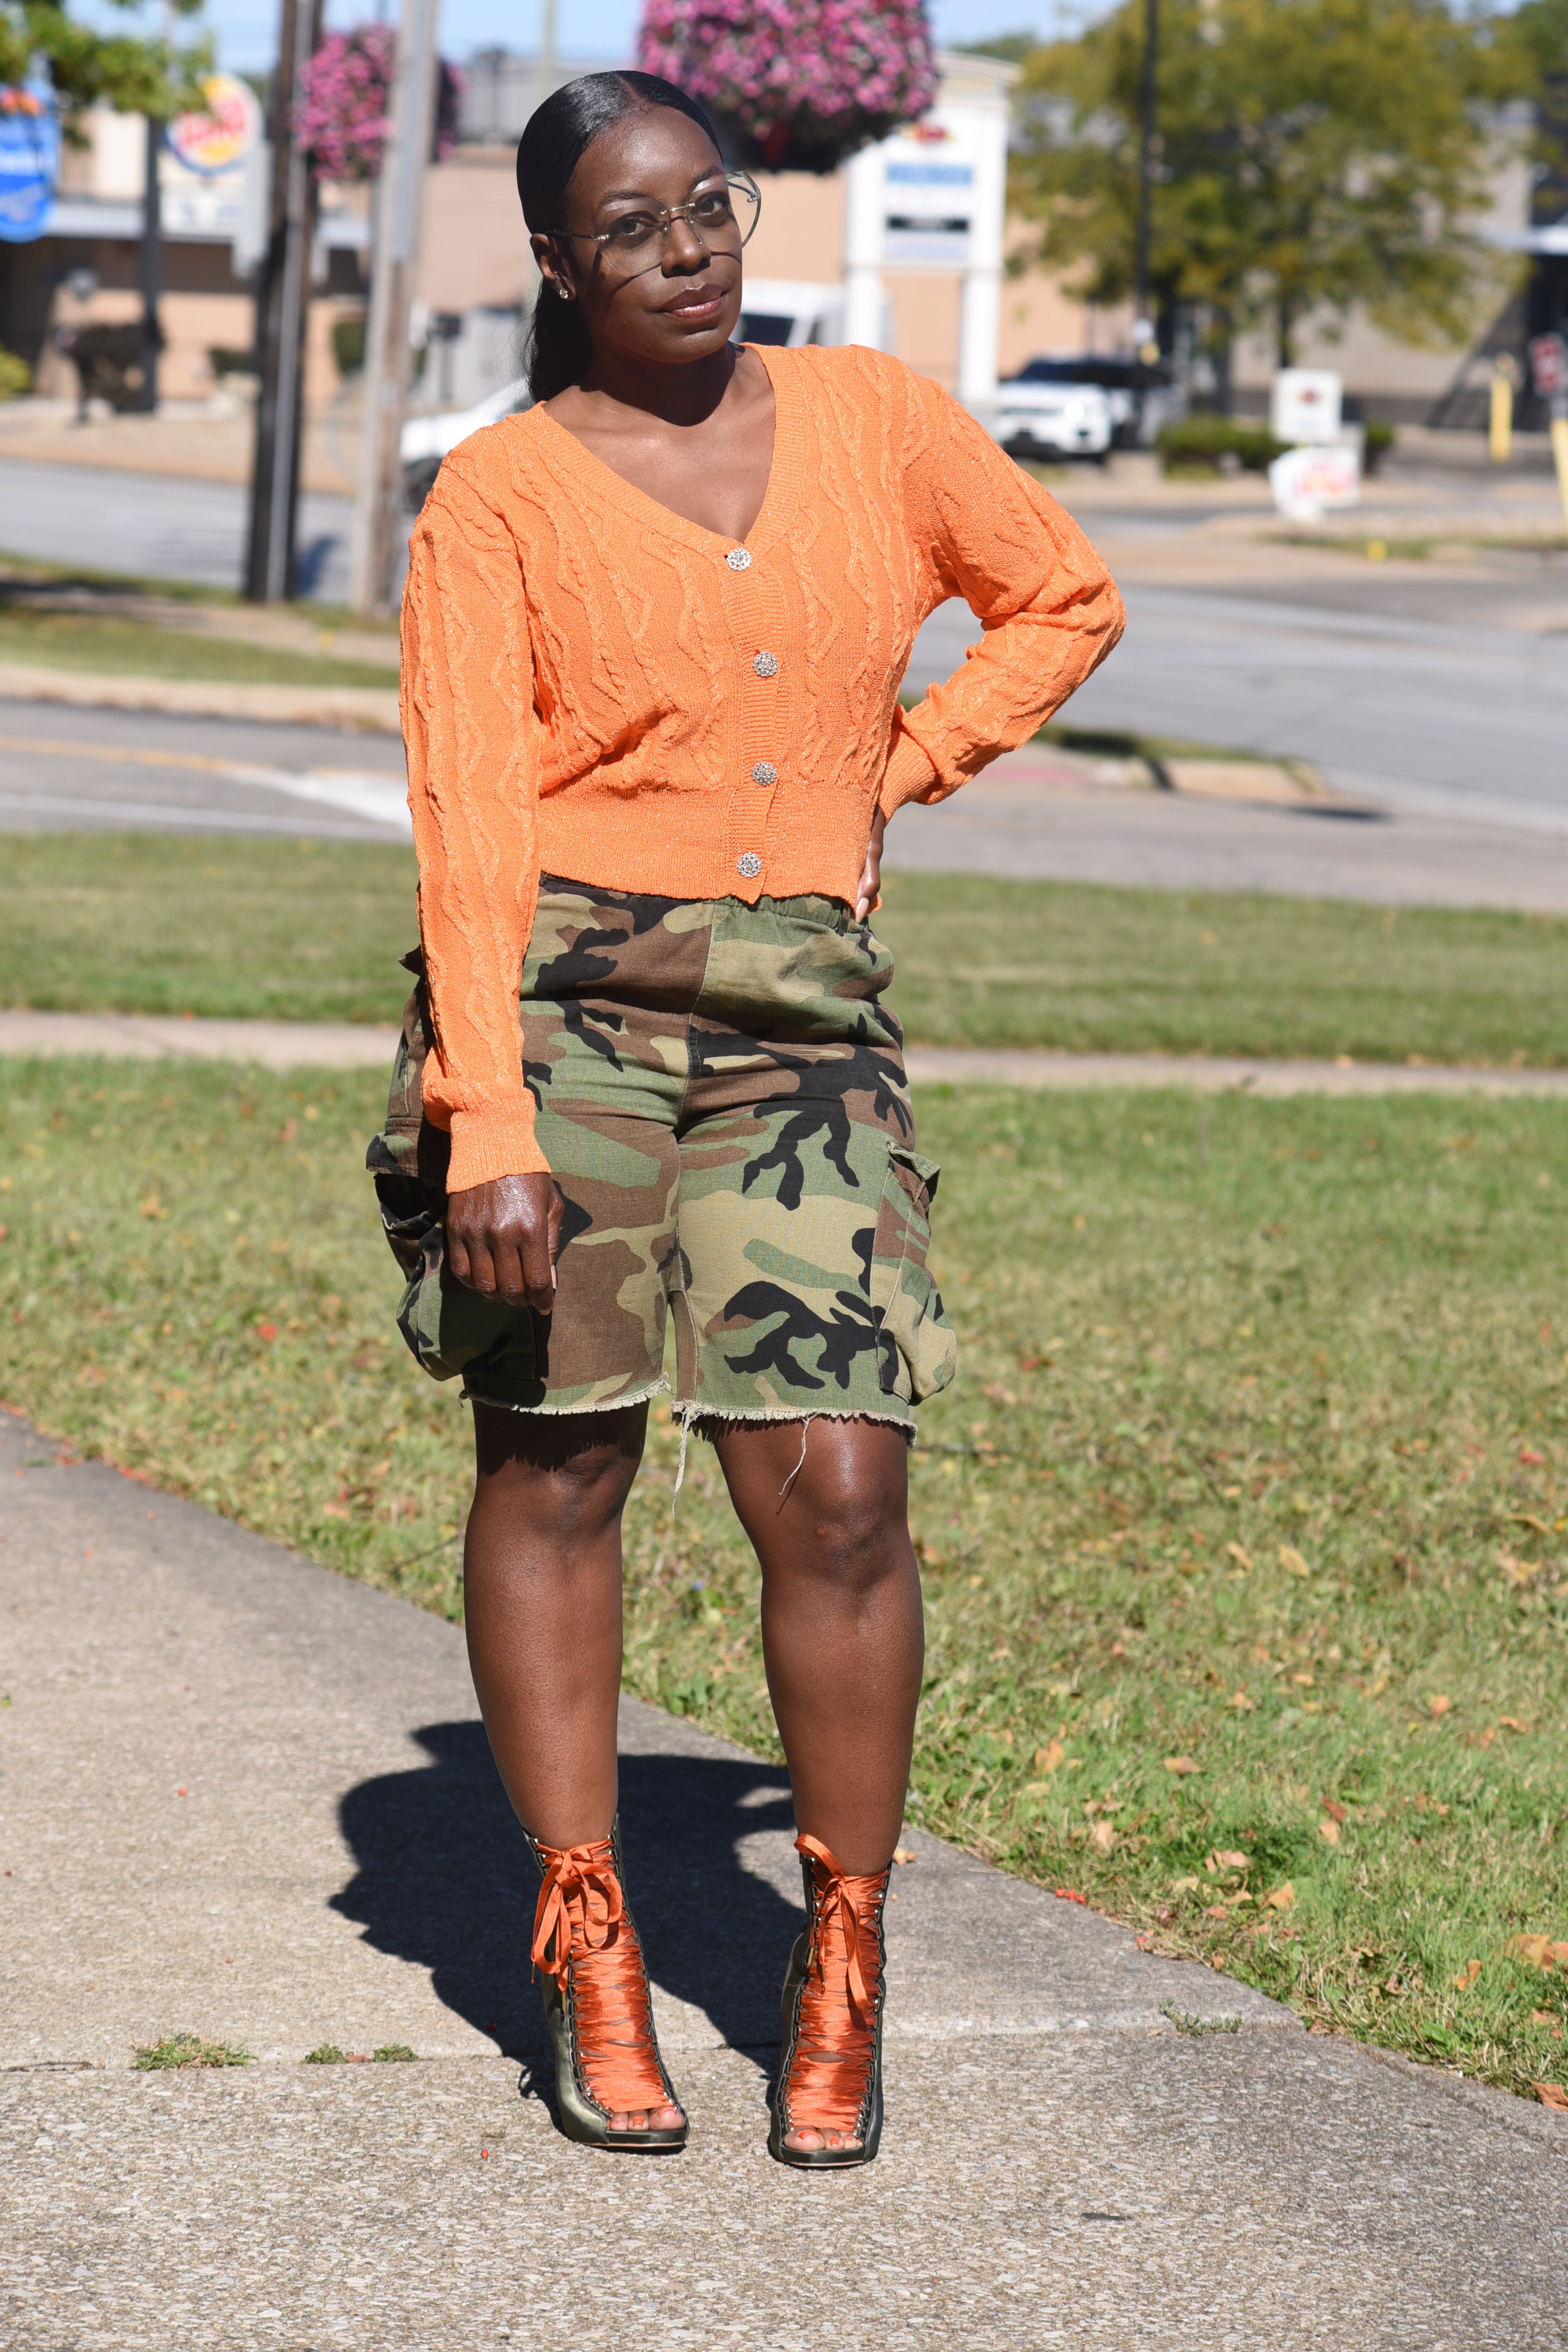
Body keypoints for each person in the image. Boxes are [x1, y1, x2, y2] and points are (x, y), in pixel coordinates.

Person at [369, 68, 1123, 2169]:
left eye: (706, 206)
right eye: (631, 227)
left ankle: (840, 1953)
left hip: (800, 1022)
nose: (687, 250)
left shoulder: (876, 419)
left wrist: (901, 761)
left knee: (844, 1489)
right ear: (555, 265)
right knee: (558, 1462)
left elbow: (1057, 594)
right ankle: (587, 1929)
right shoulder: (501, 494)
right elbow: (467, 815)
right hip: (568, 1013)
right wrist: (484, 1113)